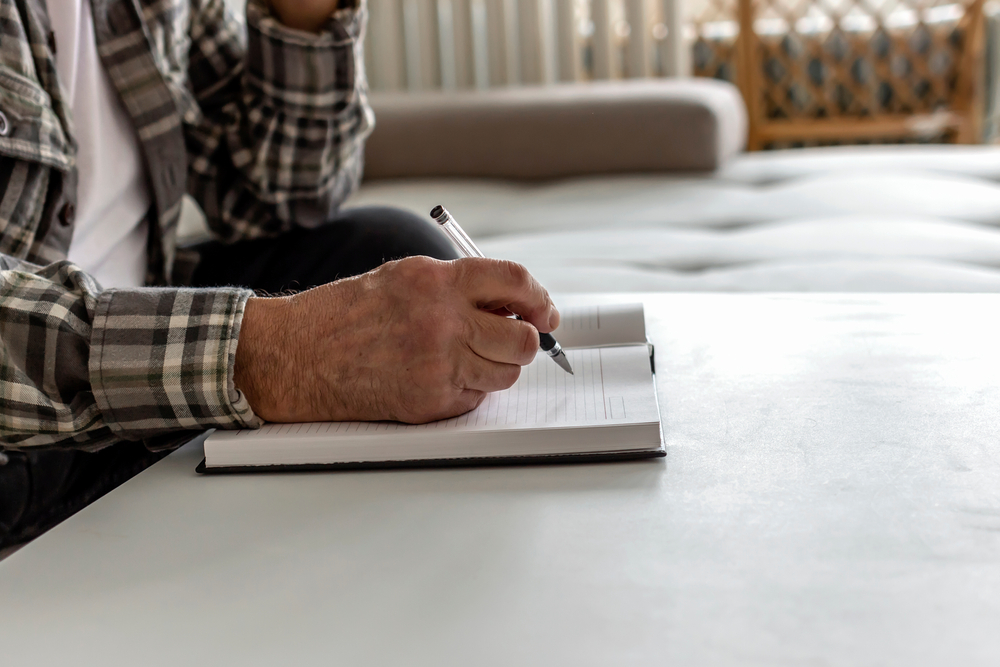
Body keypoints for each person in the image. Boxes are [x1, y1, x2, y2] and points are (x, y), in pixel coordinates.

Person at [0, 0, 559, 549]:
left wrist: (305, 14)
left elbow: (278, 200)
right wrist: (276, 353)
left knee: (397, 254)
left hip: (138, 290)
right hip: (23, 422)